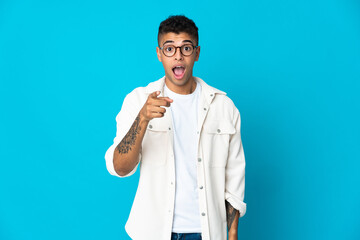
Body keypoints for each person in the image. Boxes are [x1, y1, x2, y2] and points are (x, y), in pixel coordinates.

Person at [105, 15, 246, 240]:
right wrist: (142, 119)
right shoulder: (138, 100)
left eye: (186, 48)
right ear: (159, 53)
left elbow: (234, 180)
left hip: (207, 234)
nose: (178, 56)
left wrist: (232, 233)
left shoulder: (224, 107)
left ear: (197, 53)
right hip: (153, 233)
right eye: (170, 48)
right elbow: (120, 168)